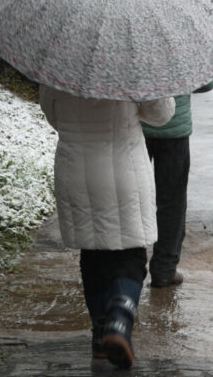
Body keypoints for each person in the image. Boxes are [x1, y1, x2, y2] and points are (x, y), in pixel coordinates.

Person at [39, 85, 175, 369]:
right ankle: (119, 320)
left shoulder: (59, 65)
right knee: (130, 255)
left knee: (93, 253)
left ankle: (101, 338)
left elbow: (53, 114)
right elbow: (162, 114)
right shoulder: (131, 62)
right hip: (122, 165)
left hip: (74, 168)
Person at [141, 80, 213, 288]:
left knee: (133, 199)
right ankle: (165, 270)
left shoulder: (126, 47)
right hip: (175, 129)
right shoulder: (181, 47)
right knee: (172, 201)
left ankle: (133, 267)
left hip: (133, 129)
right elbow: (206, 84)